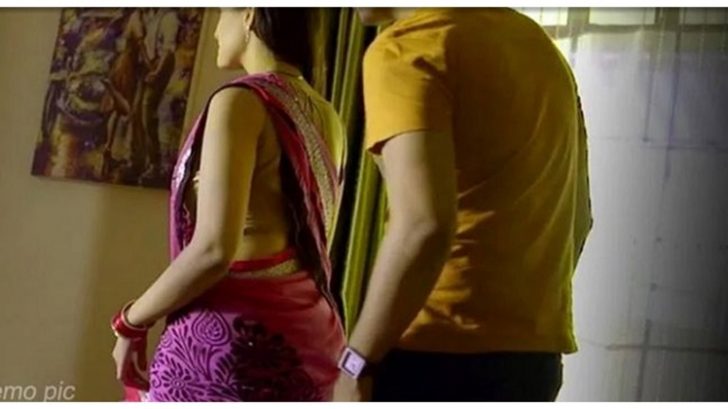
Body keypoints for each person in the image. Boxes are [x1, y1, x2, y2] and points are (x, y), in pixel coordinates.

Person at [333, 8, 593, 402]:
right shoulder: (541, 49)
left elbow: (422, 226)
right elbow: (579, 219)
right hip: (533, 362)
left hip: (434, 356)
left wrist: (356, 363)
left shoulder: (410, 47)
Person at [111, 8, 347, 402]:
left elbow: (213, 250)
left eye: (222, 12)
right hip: (312, 339)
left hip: (234, 342)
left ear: (249, 14)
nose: (216, 30)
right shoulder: (328, 115)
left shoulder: (240, 102)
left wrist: (130, 322)